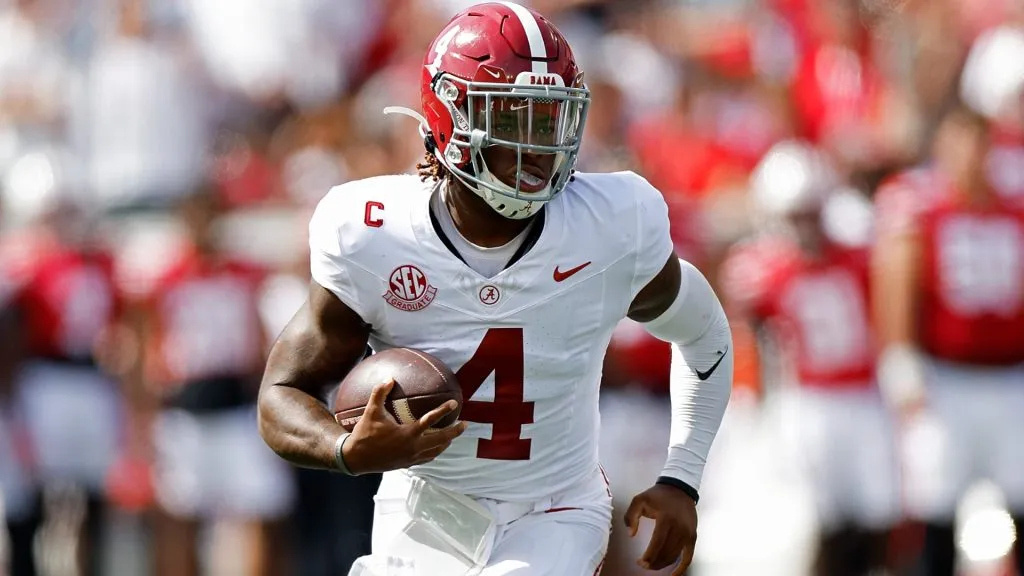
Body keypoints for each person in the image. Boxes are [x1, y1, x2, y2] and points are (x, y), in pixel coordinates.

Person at [257, 3, 733, 575]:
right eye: (511, 120)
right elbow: (282, 392)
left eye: (550, 120)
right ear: (445, 119)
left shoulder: (612, 224)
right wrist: (344, 451)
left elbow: (705, 336)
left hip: (553, 510)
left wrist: (682, 475)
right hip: (422, 510)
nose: (537, 146)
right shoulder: (371, 231)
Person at [721, 141, 899, 576]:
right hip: (807, 402)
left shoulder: (859, 253)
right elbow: (744, 340)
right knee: (817, 519)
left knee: (881, 514)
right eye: (793, 214)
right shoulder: (760, 269)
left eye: (809, 212)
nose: (803, 225)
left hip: (864, 395)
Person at [872, 103, 1024, 575]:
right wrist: (899, 358)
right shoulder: (923, 209)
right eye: (959, 143)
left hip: (1009, 376)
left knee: (1019, 498)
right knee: (936, 507)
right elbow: (896, 278)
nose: (970, 155)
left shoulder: (1013, 209)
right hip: (948, 379)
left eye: (978, 143)